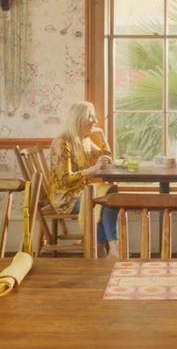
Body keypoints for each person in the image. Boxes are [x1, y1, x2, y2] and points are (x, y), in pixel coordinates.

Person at [48, 101, 118, 258]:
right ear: (78, 119)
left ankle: (103, 247)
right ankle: (110, 246)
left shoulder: (84, 140)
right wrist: (94, 169)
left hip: (83, 192)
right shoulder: (62, 143)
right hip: (66, 197)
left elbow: (106, 159)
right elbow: (65, 179)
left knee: (110, 194)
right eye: (90, 116)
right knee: (103, 200)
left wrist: (102, 136)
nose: (95, 121)